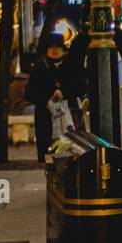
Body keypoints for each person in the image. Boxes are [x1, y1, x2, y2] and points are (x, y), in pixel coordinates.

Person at [26, 33, 75, 163]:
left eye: (58, 47)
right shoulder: (40, 67)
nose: (54, 50)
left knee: (69, 153)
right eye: (51, 47)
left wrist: (63, 93)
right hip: (45, 118)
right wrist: (47, 100)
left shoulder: (70, 65)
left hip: (67, 117)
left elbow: (80, 87)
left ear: (63, 49)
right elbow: (30, 93)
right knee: (48, 155)